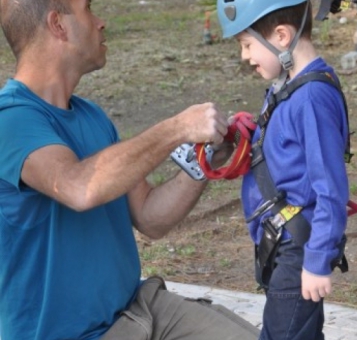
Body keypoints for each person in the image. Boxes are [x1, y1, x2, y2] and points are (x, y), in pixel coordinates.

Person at [0, 0, 260, 339]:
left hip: (137, 308)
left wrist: (206, 162)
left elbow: (151, 218)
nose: (101, 22)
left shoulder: (92, 116)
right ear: (58, 25)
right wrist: (176, 128)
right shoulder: (11, 121)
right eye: (88, 9)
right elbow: (78, 187)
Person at [217, 0, 351, 339]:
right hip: (282, 244)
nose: (245, 57)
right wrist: (252, 134)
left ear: (281, 36)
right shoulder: (289, 86)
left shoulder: (312, 97)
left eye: (247, 45)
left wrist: (317, 260)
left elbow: (330, 188)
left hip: (298, 251)